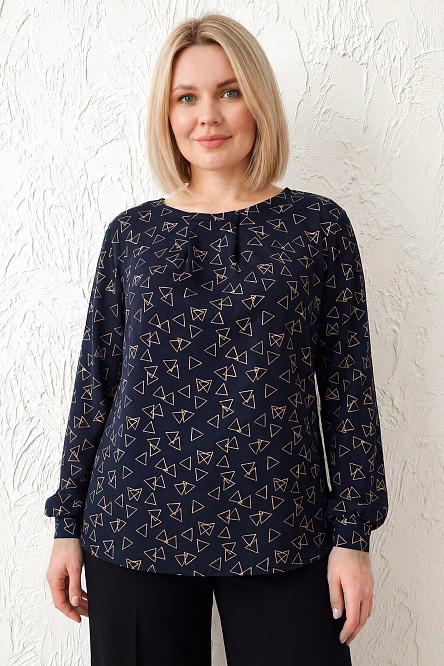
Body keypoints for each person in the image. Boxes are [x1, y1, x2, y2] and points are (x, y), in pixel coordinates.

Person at [44, 12, 389, 666]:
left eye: (229, 92)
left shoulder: (318, 228)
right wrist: (68, 526)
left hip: (283, 528)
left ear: (257, 101)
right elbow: (97, 384)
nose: (208, 116)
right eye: (187, 97)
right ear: (167, 113)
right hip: (134, 524)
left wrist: (353, 536)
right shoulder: (131, 235)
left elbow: (349, 391)